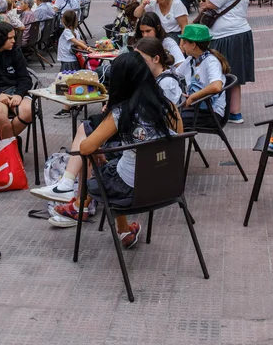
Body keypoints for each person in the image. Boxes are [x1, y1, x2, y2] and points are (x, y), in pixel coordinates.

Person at [47, 52, 180, 243]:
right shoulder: (168, 105)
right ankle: (122, 229)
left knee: (100, 167)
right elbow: (179, 139)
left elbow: (85, 148)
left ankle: (85, 208)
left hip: (132, 191)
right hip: (169, 185)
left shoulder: (122, 112)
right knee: (116, 164)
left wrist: (98, 151)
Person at [196, 0, 252, 124]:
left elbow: (210, 2)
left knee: (224, 73)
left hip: (228, 35)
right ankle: (234, 111)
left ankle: (226, 111)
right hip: (236, 32)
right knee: (233, 75)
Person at [0, 21, 36, 140]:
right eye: (10, 38)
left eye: (14, 38)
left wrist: (19, 94)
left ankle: (6, 142)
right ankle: (12, 144)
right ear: (0, 39)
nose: (13, 41)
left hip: (15, 89)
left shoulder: (15, 51)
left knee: (29, 111)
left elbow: (25, 78)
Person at [175, 24, 230, 127]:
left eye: (185, 42)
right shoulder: (190, 60)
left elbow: (216, 86)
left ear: (193, 45)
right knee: (168, 116)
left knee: (174, 121)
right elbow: (175, 74)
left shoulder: (211, 62)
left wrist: (193, 97)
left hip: (212, 113)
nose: (182, 45)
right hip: (196, 108)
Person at [136, 36, 184, 106]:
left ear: (156, 59)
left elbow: (167, 110)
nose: (137, 63)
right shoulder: (152, 76)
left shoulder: (166, 83)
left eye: (142, 59)